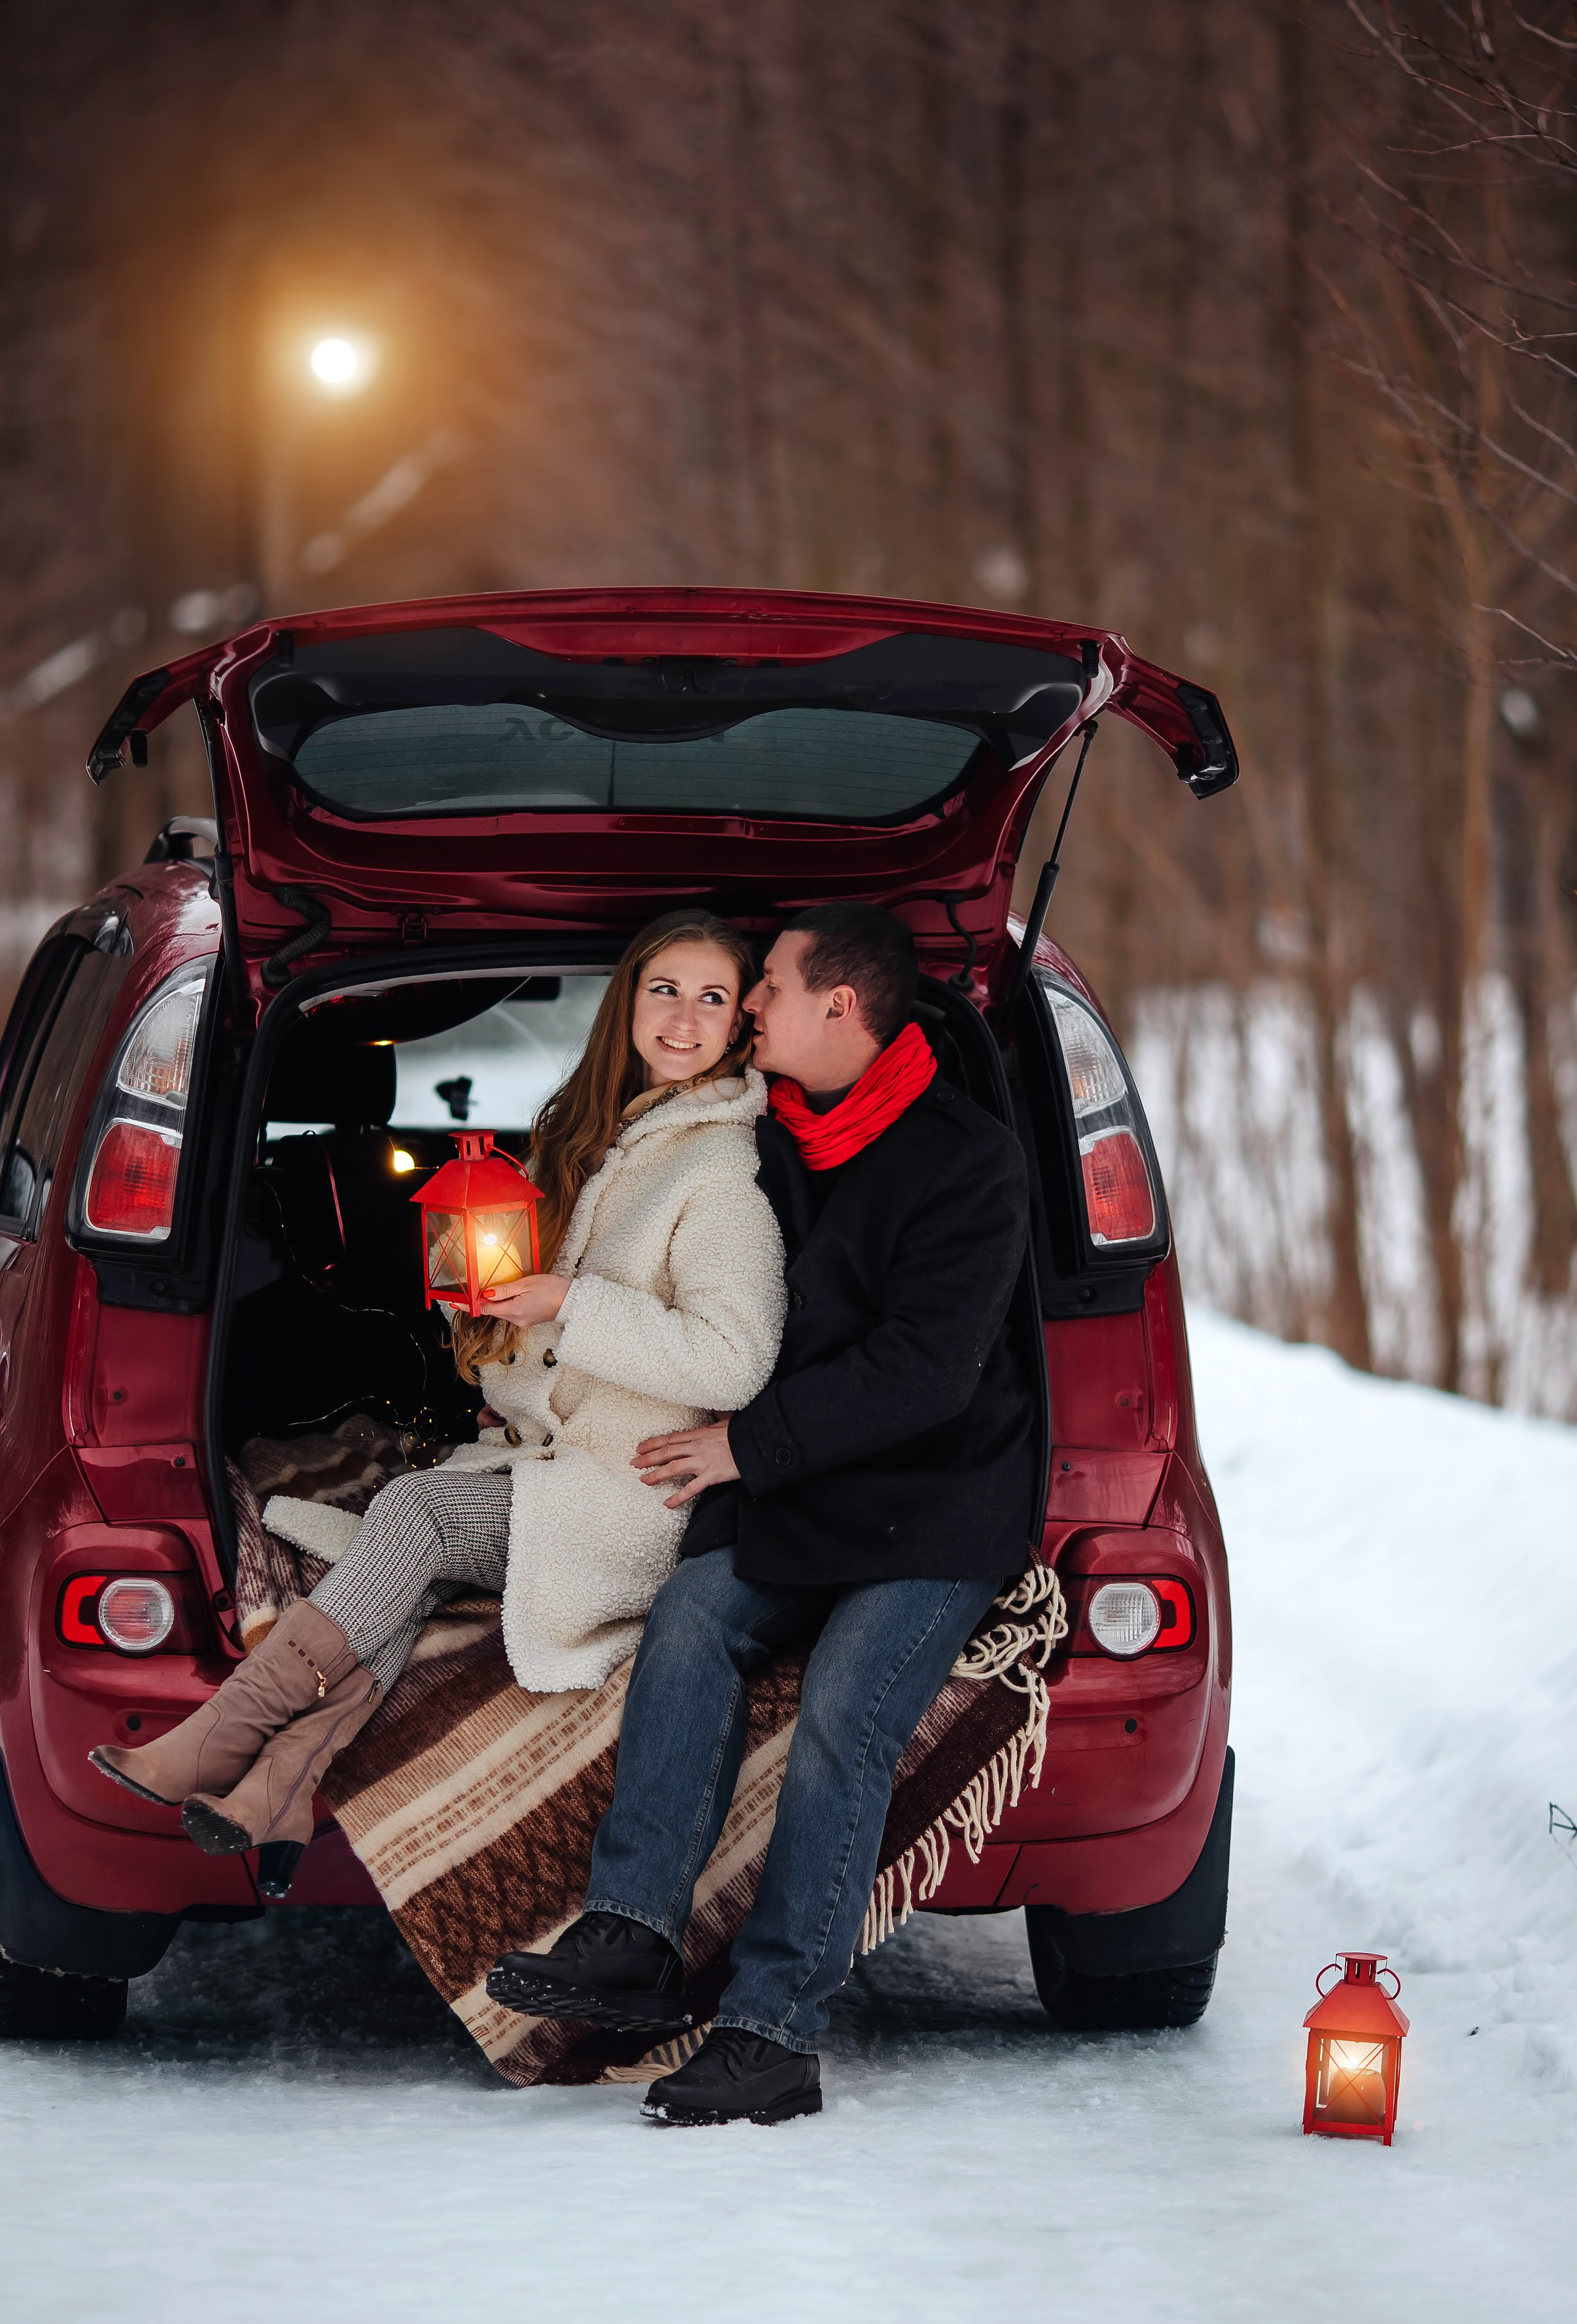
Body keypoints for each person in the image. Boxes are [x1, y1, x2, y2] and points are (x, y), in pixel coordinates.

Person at [91, 911, 787, 1890]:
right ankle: (279, 1784)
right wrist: (496, 1335)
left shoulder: (721, 1176)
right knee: (404, 1581)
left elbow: (733, 1363)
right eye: (664, 989)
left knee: (415, 1514)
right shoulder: (595, 1144)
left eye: (712, 998)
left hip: (637, 1499)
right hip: (557, 1463)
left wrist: (569, 1303)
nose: (683, 1018)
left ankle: (224, 1732)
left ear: (741, 1024)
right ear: (628, 999)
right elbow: (532, 1363)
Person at [489, 903, 1038, 2127]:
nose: (744, 1008)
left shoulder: (969, 1158)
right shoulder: (769, 1139)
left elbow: (923, 1373)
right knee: (694, 1612)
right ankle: (632, 1934)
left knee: (845, 1708)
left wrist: (742, 1447)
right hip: (808, 1486)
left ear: (839, 1005)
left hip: (935, 1502)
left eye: (767, 987)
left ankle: (773, 2032)